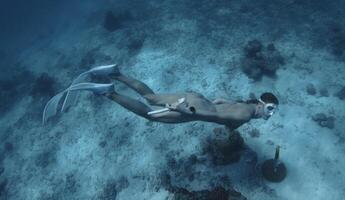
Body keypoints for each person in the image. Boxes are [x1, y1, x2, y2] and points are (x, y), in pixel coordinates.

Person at [43, 64, 279, 130]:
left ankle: (115, 73)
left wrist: (193, 102)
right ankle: (108, 92)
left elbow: (218, 102)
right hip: (194, 109)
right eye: (270, 109)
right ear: (262, 105)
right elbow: (214, 114)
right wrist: (186, 110)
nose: (269, 115)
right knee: (150, 115)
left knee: (151, 96)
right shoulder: (247, 114)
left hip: (196, 97)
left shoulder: (243, 105)